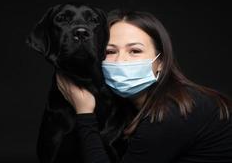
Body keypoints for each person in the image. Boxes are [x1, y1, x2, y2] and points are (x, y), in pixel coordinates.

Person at [56, 9, 232, 163]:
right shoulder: (131, 106)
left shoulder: (172, 112)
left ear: (161, 61)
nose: (120, 61)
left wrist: (84, 114)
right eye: (110, 51)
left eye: (135, 51)